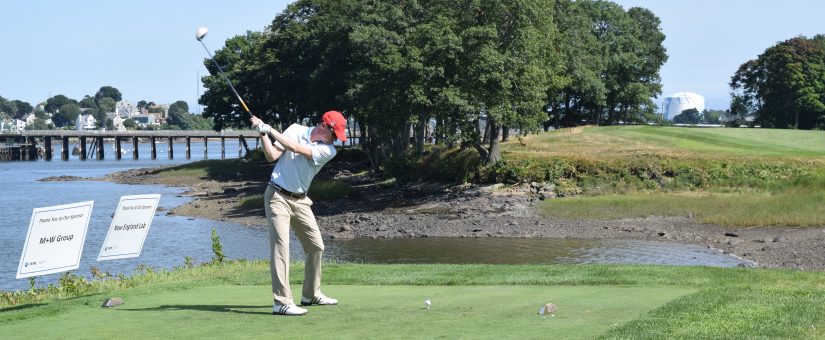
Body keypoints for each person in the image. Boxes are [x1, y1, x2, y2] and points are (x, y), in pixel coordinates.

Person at [250, 110, 348, 316]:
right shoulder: (294, 129)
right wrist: (262, 133)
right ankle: (282, 302)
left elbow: (294, 147)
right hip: (277, 196)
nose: (335, 141)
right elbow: (272, 156)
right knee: (281, 248)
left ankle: (311, 294)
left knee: (316, 246)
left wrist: (269, 128)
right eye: (335, 135)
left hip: (301, 201)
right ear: (324, 126)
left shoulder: (328, 151)